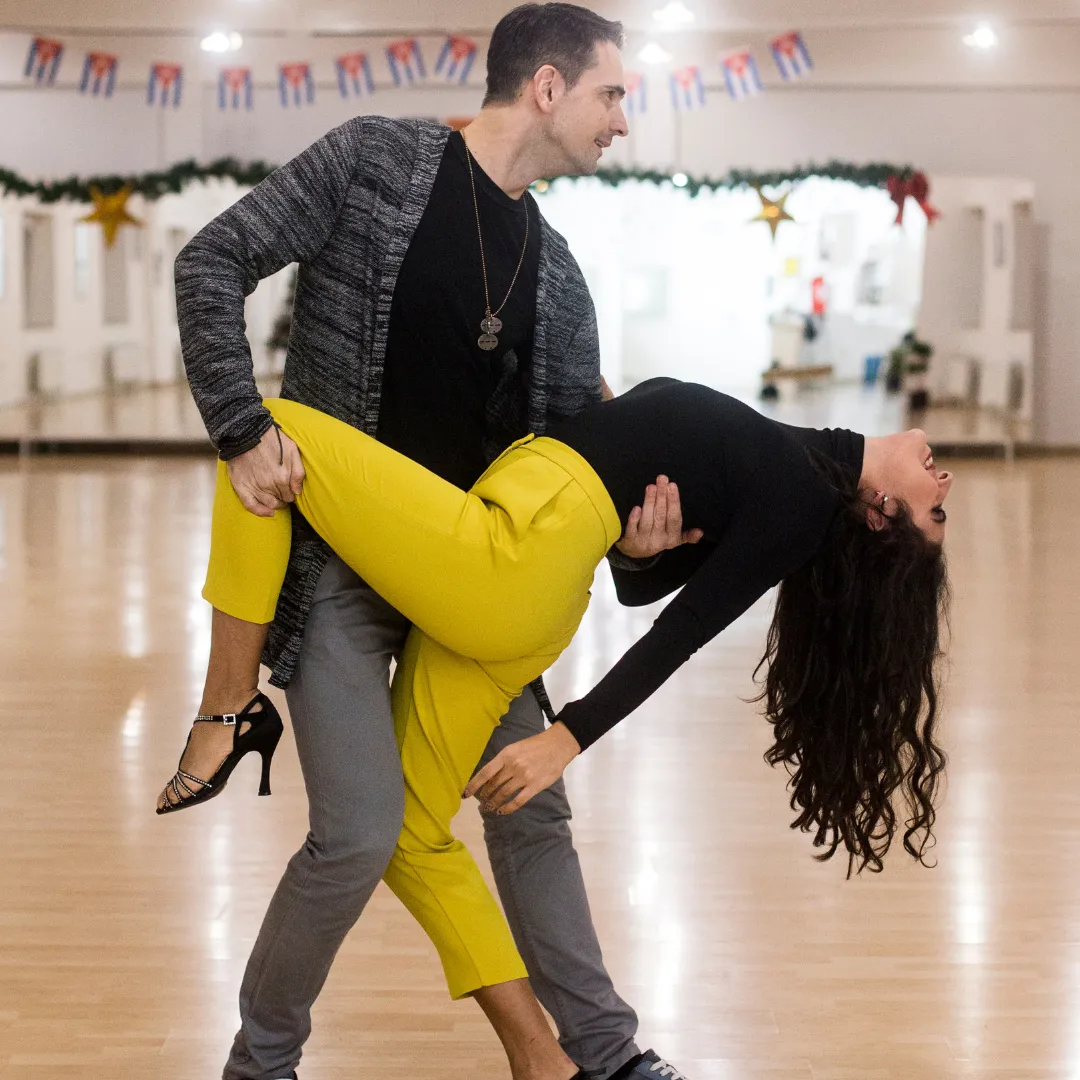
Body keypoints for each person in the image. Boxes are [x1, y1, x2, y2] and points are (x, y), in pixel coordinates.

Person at [170, 5, 695, 1079]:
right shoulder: (375, 163)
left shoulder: (559, 279)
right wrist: (240, 423)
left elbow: (578, 471)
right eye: (611, 95)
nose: (620, 121)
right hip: (339, 578)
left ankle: (607, 1055)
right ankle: (260, 1063)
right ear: (546, 88)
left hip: (472, 585)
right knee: (359, 836)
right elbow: (210, 260)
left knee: (531, 810)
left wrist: (642, 548)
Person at [161, 377, 952, 1080]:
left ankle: (228, 705)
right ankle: (539, 1058)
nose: (944, 481)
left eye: (936, 510)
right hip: (525, 589)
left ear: (882, 515)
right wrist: (642, 547)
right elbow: (646, 582)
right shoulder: (799, 466)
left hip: (510, 561)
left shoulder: (801, 501)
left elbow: (683, 632)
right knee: (409, 833)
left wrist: (566, 736)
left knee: (263, 427)